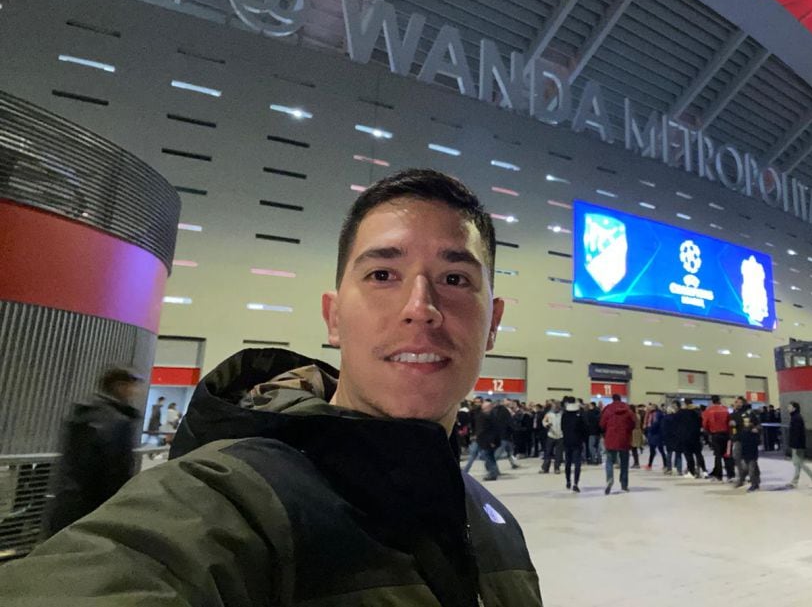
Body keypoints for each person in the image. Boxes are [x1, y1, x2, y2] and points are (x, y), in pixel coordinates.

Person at [0, 168, 543, 605]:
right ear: (333, 318)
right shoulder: (232, 498)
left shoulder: (494, 528)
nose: (420, 308)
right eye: (382, 275)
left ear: (492, 322)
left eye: (455, 279)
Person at [43, 366, 143, 537]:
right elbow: (115, 470)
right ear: (119, 386)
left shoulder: (83, 413)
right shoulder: (115, 421)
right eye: (131, 386)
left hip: (67, 504)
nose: (135, 392)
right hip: (97, 508)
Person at [600, 393, 636, 494]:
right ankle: (624, 484)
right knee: (624, 462)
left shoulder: (608, 409)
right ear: (620, 399)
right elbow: (633, 423)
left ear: (612, 399)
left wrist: (606, 431)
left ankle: (609, 479)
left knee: (610, 461)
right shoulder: (628, 409)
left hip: (611, 438)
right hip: (624, 439)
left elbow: (602, 424)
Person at [786, 402, 812, 489]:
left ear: (794, 408)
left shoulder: (796, 418)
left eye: (789, 406)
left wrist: (796, 445)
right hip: (796, 444)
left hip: (797, 445)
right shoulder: (795, 417)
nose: (788, 408)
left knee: (799, 463)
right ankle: (794, 481)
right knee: (797, 464)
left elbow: (797, 433)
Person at [672, 398, 705, 479]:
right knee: (698, 454)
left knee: (688, 454)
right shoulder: (697, 411)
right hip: (696, 435)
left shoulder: (681, 412)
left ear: (685, 403)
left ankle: (691, 471)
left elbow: (675, 423)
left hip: (685, 436)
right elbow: (701, 422)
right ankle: (704, 471)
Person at [703, 395, 733, 480]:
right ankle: (730, 474)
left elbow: (705, 423)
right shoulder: (726, 409)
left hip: (715, 435)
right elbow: (730, 421)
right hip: (726, 434)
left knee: (718, 455)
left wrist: (708, 432)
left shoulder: (709, 411)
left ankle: (718, 475)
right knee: (727, 454)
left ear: (712, 401)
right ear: (719, 400)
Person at [561, 396, 586, 492]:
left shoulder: (564, 416)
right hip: (577, 442)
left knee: (568, 462)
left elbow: (562, 427)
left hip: (567, 441)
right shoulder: (579, 416)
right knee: (577, 463)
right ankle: (576, 482)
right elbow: (584, 429)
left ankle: (568, 480)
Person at [735, 407, 762, 491]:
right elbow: (739, 438)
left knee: (751, 469)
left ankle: (754, 484)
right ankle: (754, 482)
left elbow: (758, 441)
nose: (746, 423)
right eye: (745, 421)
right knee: (748, 468)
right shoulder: (743, 431)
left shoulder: (754, 431)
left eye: (748, 421)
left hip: (752, 452)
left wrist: (756, 430)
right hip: (745, 452)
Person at [494, 400, 520, 470]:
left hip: (499, 434)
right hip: (505, 435)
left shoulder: (495, 411)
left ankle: (513, 463)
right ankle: (491, 467)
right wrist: (515, 429)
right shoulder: (505, 411)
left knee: (509, 451)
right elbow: (509, 422)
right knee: (499, 453)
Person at [540, 400, 564, 474]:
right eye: (554, 406)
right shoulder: (549, 414)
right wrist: (547, 424)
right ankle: (545, 468)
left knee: (558, 453)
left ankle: (557, 468)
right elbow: (543, 421)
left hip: (560, 436)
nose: (556, 407)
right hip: (551, 435)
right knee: (548, 452)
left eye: (557, 406)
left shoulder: (562, 414)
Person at [644, 402, 668, 471]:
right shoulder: (653, 413)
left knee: (657, 450)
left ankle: (651, 465)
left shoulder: (656, 414)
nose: (649, 408)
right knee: (658, 450)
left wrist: (650, 429)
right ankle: (663, 464)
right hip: (655, 434)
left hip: (655, 434)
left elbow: (655, 423)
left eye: (650, 407)